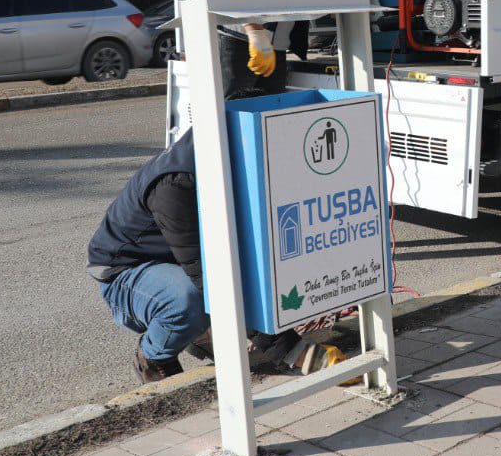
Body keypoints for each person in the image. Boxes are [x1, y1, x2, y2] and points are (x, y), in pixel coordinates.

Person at [87, 130, 339, 383]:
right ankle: (153, 356)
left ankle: (199, 329)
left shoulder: (222, 155)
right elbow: (208, 277)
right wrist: (291, 350)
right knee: (191, 298)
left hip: (175, 261)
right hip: (124, 273)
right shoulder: (174, 186)